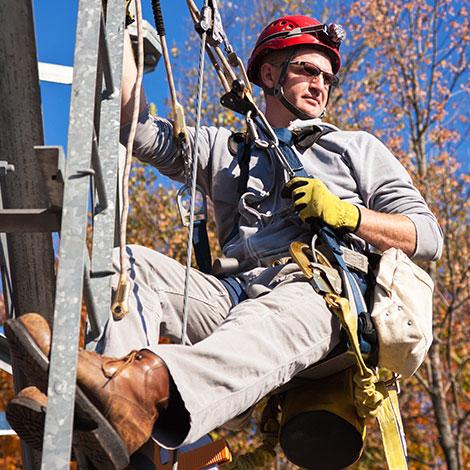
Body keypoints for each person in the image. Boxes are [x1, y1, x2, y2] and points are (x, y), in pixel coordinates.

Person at [6, 14, 442, 467]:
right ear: (269, 75)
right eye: (307, 71)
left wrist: (346, 213)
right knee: (129, 263)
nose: (320, 86)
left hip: (322, 299)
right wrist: (128, 32)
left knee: (285, 305)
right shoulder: (227, 150)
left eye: (328, 78)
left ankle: (139, 390)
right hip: (235, 299)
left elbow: (426, 235)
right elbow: (131, 126)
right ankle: (116, 417)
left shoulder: (355, 149)